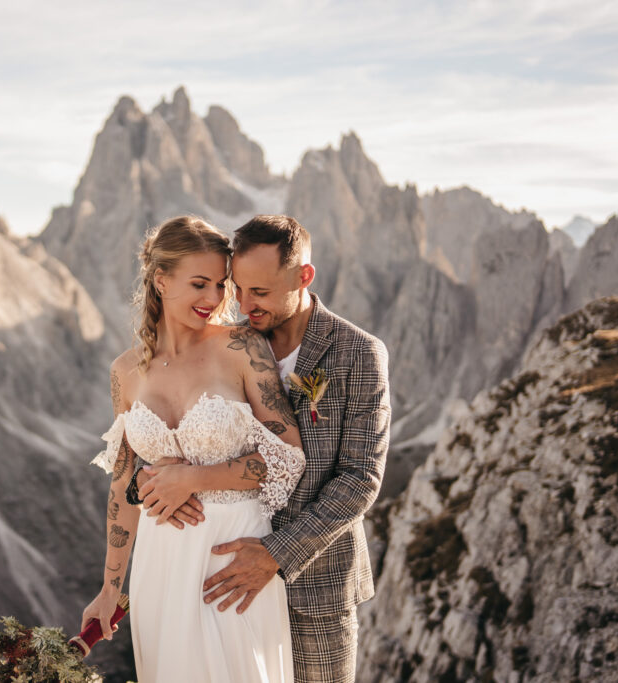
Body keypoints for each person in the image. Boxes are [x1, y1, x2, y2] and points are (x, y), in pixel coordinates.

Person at [133, 215, 391, 682]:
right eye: (240, 288)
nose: (244, 304)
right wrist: (146, 479)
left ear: (303, 277)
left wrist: (276, 553)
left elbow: (360, 480)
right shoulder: (230, 343)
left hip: (315, 588)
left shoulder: (358, 353)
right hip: (223, 581)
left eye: (262, 293)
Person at [81, 216, 307, 683]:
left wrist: (193, 478)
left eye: (222, 285)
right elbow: (123, 483)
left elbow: (288, 456)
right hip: (160, 565)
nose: (215, 299)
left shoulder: (242, 347)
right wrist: (110, 589)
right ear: (161, 280)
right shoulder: (125, 372)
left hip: (233, 560)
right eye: (200, 283)